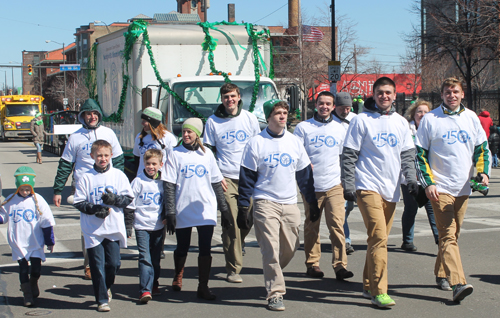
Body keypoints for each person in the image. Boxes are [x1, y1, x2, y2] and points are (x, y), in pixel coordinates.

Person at [342, 77, 417, 308]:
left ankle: (367, 284)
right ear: (373, 95)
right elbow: (349, 154)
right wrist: (348, 184)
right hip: (367, 185)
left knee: (377, 239)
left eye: (388, 93)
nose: (384, 96)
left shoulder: (401, 122)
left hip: (391, 188)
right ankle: (379, 291)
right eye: (380, 93)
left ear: (395, 95)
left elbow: (407, 155)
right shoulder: (361, 120)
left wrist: (412, 180)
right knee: (379, 238)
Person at [238, 100, 318, 311]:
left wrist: (312, 202)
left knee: (291, 247)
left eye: (284, 112)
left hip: (290, 202)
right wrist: (243, 206)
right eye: (277, 113)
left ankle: (272, 273)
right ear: (268, 117)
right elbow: (246, 179)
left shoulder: (294, 142)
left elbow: (304, 176)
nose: (282, 116)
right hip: (265, 202)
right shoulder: (256, 143)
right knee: (271, 250)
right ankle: (275, 293)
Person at [415, 77, 491, 303]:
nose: (452, 95)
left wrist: (483, 173)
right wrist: (428, 183)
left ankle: (441, 273)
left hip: (463, 187)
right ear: (442, 95)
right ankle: (458, 282)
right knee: (447, 234)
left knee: (453, 235)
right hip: (440, 188)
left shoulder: (472, 119)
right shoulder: (430, 119)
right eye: (448, 92)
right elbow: (419, 155)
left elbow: (482, 150)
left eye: (455, 91)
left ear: (462, 94)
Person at [53, 98, 124, 280]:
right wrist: (57, 190)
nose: (91, 117)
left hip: (107, 185)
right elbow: (65, 164)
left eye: (94, 113)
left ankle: (109, 258)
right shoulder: (75, 137)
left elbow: (119, 161)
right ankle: (89, 264)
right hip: (85, 187)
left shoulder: (108, 133)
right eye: (87, 114)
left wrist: (119, 183)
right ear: (82, 116)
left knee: (109, 221)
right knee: (87, 226)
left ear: (98, 115)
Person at [164, 118, 231, 301]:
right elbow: (169, 184)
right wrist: (170, 211)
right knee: (182, 246)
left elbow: (216, 182)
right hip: (183, 207)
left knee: (205, 249)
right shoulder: (174, 153)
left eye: (189, 132)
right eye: (184, 131)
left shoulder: (207, 154)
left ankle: (203, 286)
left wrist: (223, 209)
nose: (185, 135)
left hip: (205, 209)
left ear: (197, 134)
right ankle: (178, 274)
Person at [293, 91, 353, 281]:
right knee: (312, 226)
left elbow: (345, 158)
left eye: (328, 104)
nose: (324, 107)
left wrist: (346, 181)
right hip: (312, 186)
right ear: (315, 104)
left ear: (333, 106)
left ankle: (340, 265)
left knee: (337, 225)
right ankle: (312, 264)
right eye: (321, 103)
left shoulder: (340, 128)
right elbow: (296, 153)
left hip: (335, 185)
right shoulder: (303, 128)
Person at [204, 83, 261, 283]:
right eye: (226, 96)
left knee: (248, 219)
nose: (230, 100)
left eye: (233, 96)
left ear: (239, 98)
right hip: (225, 177)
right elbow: (208, 152)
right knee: (231, 223)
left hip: (249, 177)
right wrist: (216, 176)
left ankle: (239, 244)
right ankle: (233, 268)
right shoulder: (213, 122)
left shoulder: (249, 118)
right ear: (222, 99)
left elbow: (258, 146)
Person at [73, 140, 134, 312]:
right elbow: (78, 202)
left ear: (111, 156)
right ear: (92, 156)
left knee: (114, 264)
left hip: (112, 227)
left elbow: (128, 199)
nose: (103, 159)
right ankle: (101, 300)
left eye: (106, 155)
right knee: (97, 265)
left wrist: (114, 199)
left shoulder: (118, 175)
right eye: (99, 155)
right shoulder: (86, 177)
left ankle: (106, 286)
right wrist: (94, 209)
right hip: (92, 229)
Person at [0, 166, 55, 307]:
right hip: (18, 242)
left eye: (28, 189)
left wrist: (50, 241)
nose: (25, 192)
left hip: (35, 241)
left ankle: (33, 282)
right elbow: (3, 217)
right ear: (18, 187)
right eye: (22, 189)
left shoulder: (38, 200)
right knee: (23, 269)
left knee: (36, 268)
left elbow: (46, 221)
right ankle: (27, 295)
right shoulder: (10, 200)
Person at [133, 107, 177, 259]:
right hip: (142, 178)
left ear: (153, 122)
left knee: (160, 213)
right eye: (143, 120)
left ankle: (160, 246)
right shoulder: (140, 137)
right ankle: (145, 245)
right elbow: (136, 159)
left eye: (146, 121)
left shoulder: (168, 138)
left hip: (161, 179)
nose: (143, 123)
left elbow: (173, 161)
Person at [126, 149, 166, 303]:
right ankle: (145, 290)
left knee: (155, 259)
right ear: (144, 163)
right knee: (145, 258)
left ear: (160, 165)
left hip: (158, 226)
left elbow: (167, 201)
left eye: (154, 164)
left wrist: (167, 216)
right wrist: (129, 224)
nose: (151, 167)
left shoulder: (162, 182)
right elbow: (130, 204)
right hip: (141, 225)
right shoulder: (138, 181)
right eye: (148, 163)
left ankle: (154, 283)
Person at [400, 100, 439, 252]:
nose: (422, 115)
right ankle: (407, 240)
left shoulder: (433, 129)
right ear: (413, 114)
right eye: (419, 112)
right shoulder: (406, 129)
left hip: (428, 176)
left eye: (426, 112)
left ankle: (440, 241)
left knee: (432, 208)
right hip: (410, 177)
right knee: (411, 208)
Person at [331, 93, 358, 255]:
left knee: (348, 205)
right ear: (335, 107)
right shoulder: (330, 121)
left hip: (352, 166)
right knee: (342, 205)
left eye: (348, 108)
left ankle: (338, 228)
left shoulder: (355, 119)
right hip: (335, 166)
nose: (345, 111)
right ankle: (345, 239)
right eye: (342, 108)